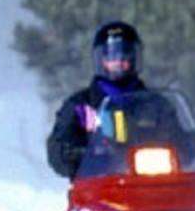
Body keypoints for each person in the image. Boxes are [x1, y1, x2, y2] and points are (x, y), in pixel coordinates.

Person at [47, 21, 148, 178]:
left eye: (125, 55)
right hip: (97, 186)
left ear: (134, 58)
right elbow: (58, 149)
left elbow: (183, 139)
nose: (119, 62)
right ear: (101, 60)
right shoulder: (81, 106)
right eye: (112, 56)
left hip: (150, 183)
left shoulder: (154, 105)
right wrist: (78, 154)